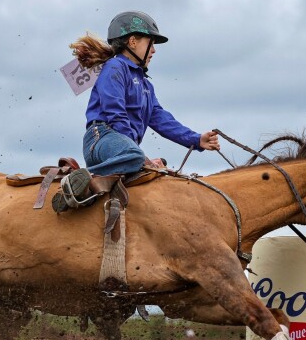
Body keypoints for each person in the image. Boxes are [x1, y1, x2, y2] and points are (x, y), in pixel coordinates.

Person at [54, 11, 220, 212]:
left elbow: (161, 119)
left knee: (145, 163)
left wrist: (195, 139)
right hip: (100, 139)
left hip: (122, 145)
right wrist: (142, 158)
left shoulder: (146, 86)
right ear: (133, 41)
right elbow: (115, 113)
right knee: (136, 157)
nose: (154, 51)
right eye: (151, 43)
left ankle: (121, 167)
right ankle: (79, 182)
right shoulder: (115, 67)